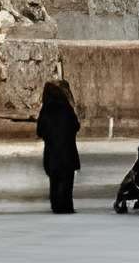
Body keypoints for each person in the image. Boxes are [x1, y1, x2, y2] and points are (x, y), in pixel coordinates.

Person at [36, 79, 80, 214]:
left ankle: (56, 205)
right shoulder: (66, 108)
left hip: (52, 153)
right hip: (68, 152)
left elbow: (40, 131)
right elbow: (76, 126)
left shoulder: (46, 110)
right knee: (67, 182)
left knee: (54, 181)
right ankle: (66, 206)